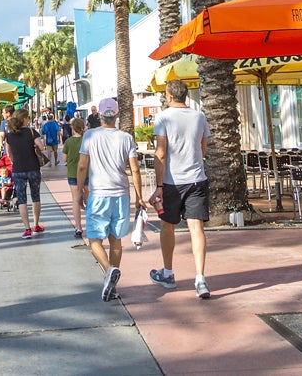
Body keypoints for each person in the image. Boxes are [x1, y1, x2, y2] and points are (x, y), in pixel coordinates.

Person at [149, 79, 212, 298]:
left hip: (171, 182)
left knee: (168, 226)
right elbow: (202, 148)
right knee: (197, 228)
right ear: (185, 95)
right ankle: (200, 279)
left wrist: (158, 186)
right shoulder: (199, 116)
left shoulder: (163, 117)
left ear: (168, 96)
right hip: (196, 179)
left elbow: (161, 152)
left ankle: (167, 273)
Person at [77, 97, 142, 301]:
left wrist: (79, 190)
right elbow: (134, 169)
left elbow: (81, 166)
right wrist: (140, 197)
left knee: (94, 240)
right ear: (116, 115)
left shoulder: (89, 136)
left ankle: (108, 271)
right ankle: (112, 283)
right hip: (121, 194)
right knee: (116, 240)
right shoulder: (126, 138)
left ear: (100, 116)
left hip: (98, 194)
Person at [1, 110, 46, 238]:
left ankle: (27, 229)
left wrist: (15, 161)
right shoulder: (32, 132)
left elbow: (8, 153)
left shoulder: (9, 136)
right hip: (33, 167)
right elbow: (41, 147)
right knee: (35, 196)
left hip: (18, 169)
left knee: (22, 199)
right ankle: (36, 225)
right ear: (25, 119)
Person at [63, 116, 87, 239]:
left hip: (73, 174)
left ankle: (78, 228)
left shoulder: (68, 142)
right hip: (87, 173)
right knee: (90, 199)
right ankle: (92, 223)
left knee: (75, 200)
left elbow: (64, 159)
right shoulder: (86, 141)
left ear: (73, 129)